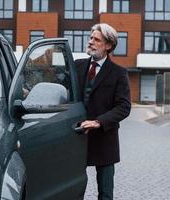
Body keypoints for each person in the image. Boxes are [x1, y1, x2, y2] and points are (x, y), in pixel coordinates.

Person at [75, 23, 131, 200]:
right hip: (76, 137)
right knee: (73, 190)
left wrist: (99, 122)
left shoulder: (119, 73)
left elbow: (124, 107)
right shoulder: (76, 66)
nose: (91, 42)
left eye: (96, 39)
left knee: (105, 194)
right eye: (91, 38)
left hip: (104, 139)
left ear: (108, 45)